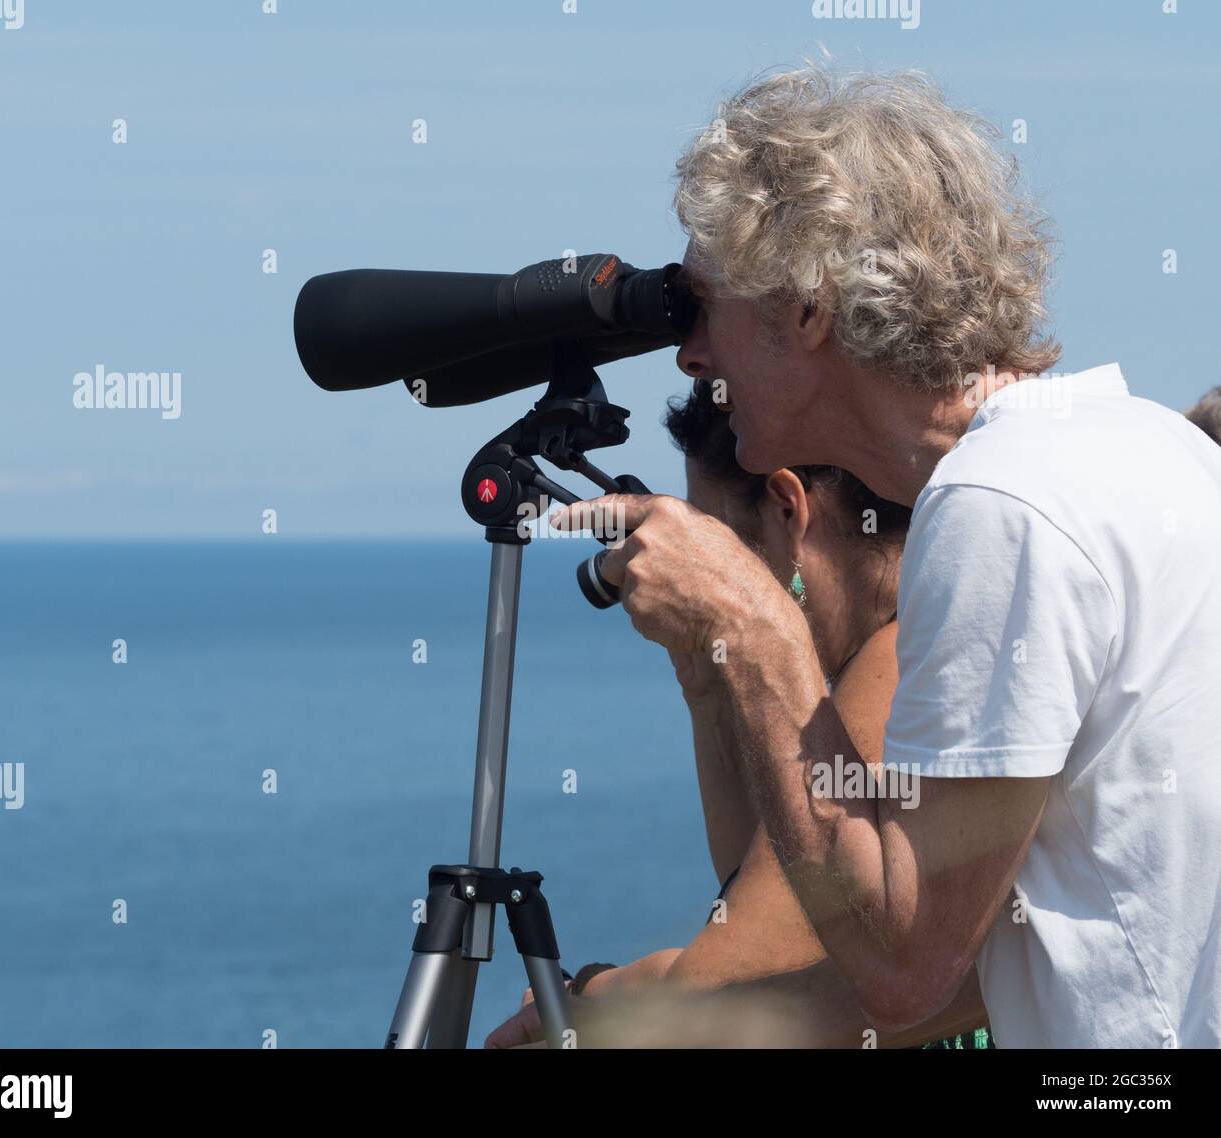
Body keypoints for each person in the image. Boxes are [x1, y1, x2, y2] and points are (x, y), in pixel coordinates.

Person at [553, 66, 1221, 1048]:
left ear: (805, 313)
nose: (689, 355)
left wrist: (753, 627)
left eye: (700, 306)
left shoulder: (1004, 503)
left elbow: (905, 965)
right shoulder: (1147, 447)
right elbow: (1011, 957)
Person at [486, 381, 991, 1049]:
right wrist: (705, 680)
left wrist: (592, 994)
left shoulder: (899, 665)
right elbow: (767, 902)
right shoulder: (907, 642)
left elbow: (715, 989)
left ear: (787, 510)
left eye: (715, 535)